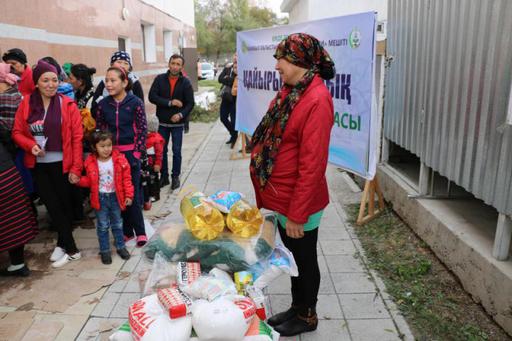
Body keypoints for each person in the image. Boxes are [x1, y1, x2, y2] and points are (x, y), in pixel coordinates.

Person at [249, 33, 335, 337]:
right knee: (292, 257)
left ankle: (308, 315)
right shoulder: (292, 90)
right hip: (284, 196)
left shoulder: (317, 100)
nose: (276, 66)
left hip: (302, 203)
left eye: (281, 58)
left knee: (304, 259)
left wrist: (298, 213)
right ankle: (297, 307)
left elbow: (312, 165)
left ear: (299, 60)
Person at [12, 59, 84, 268]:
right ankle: (72, 249)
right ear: (36, 82)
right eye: (46, 80)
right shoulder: (26, 104)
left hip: (63, 163)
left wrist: (76, 168)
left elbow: (77, 138)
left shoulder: (67, 104)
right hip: (38, 164)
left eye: (54, 80)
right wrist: (29, 145)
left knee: (64, 206)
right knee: (53, 207)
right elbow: (17, 132)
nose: (51, 84)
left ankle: (64, 245)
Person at [95, 66, 147, 246]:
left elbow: (142, 129)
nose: (108, 84)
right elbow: (100, 130)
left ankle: (140, 231)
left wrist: (137, 153)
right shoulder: (102, 105)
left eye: (113, 80)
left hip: (130, 153)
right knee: (118, 193)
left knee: (132, 193)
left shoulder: (135, 103)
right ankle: (126, 231)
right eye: (106, 81)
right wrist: (102, 154)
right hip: (111, 154)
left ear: (124, 82)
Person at [78, 130, 132, 264]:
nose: (106, 149)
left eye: (109, 145)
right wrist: (78, 180)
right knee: (102, 226)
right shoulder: (90, 161)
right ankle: (105, 250)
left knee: (118, 224)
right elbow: (89, 181)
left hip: (116, 197)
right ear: (94, 147)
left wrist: (129, 195)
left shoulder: (120, 159)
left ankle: (120, 246)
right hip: (99, 198)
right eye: (102, 146)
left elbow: (127, 179)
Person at [149, 54, 194, 190]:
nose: (175, 66)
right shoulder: (159, 79)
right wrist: (169, 103)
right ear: (169, 64)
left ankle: (175, 177)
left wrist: (180, 115)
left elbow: (190, 103)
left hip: (177, 124)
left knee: (176, 151)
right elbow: (152, 97)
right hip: (162, 123)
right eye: (173, 63)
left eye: (178, 64)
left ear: (182, 67)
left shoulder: (186, 82)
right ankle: (164, 177)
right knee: (161, 150)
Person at [92, 51, 144, 117]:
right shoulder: (104, 83)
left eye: (126, 63)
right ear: (112, 64)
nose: (122, 65)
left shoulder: (135, 83)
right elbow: (93, 110)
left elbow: (140, 110)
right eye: (119, 62)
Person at [143, 115, 164, 210]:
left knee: (154, 180)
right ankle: (150, 194)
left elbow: (159, 153)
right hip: (147, 163)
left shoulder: (156, 139)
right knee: (148, 180)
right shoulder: (146, 137)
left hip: (153, 163)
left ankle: (156, 195)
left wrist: (158, 164)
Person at [218, 55, 238, 148]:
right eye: (234, 55)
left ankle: (234, 138)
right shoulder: (228, 68)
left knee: (234, 121)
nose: (235, 57)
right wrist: (230, 80)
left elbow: (238, 81)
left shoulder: (242, 68)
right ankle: (233, 134)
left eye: (237, 55)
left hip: (236, 99)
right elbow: (220, 79)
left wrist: (228, 79)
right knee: (223, 118)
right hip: (226, 97)